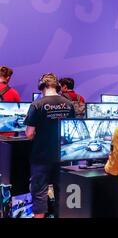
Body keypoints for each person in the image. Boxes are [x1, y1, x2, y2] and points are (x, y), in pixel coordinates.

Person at [25, 73, 75, 218]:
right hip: (63, 156)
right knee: (62, 192)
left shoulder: (37, 104)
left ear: (42, 86)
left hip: (41, 156)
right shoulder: (69, 104)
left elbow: (29, 133)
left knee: (39, 192)